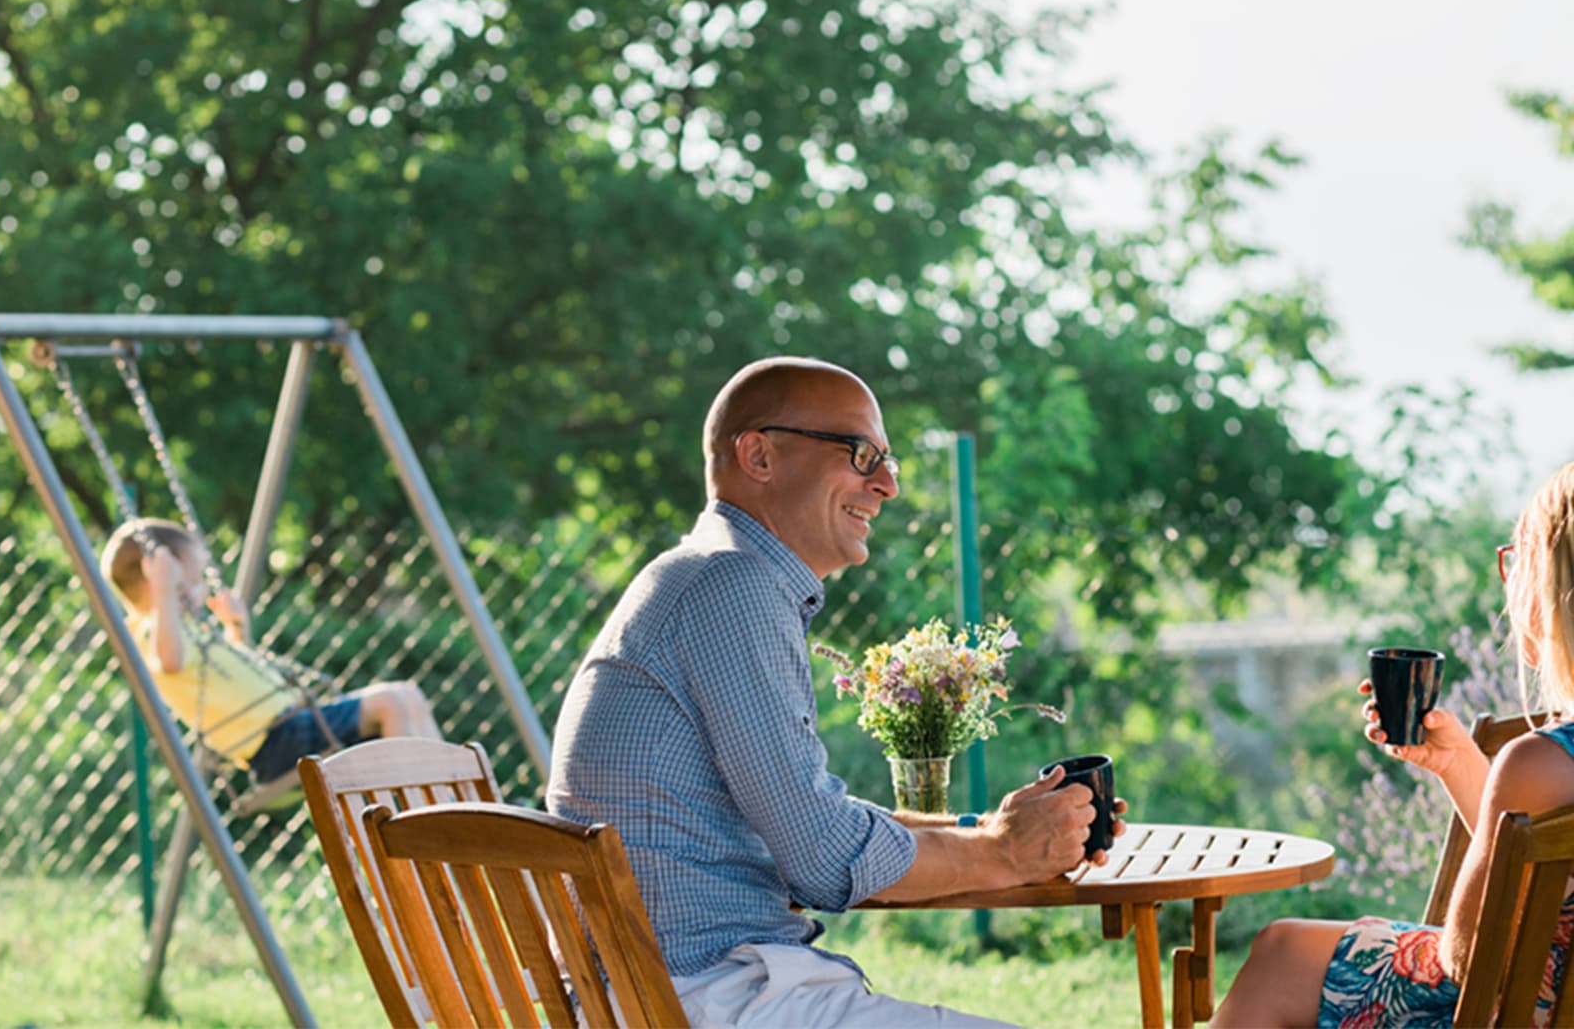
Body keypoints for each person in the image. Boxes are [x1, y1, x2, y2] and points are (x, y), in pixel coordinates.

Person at [547, 357, 1124, 1027]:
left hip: (690, 989)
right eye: (860, 454)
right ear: (759, 455)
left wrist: (987, 827)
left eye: (889, 461)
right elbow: (821, 857)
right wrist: (1001, 852)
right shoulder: (730, 588)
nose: (886, 485)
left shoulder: (708, 582)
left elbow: (807, 821)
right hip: (704, 997)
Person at [1214, 460, 1574, 1028]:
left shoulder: (1541, 761)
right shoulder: (1543, 771)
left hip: (1517, 1012)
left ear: (1552, 592)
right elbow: (1537, 859)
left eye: (1519, 562)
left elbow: (1465, 956)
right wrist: (1460, 765)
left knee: (1279, 954)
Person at [100, 518, 440, 786]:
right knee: (390, 702)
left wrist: (236, 628)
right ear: (157, 579)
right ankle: (417, 818)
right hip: (275, 741)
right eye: (192, 581)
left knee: (408, 696)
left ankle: (448, 799)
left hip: (291, 723)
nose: (201, 589)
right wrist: (164, 589)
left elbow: (231, 677)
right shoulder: (152, 630)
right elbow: (170, 661)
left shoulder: (185, 628)